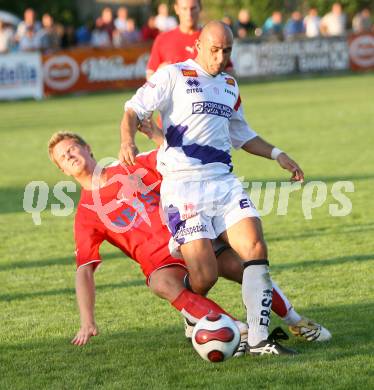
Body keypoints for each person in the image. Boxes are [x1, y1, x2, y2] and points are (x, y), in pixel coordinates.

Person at [119, 21, 330, 355]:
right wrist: (127, 139)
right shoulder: (173, 74)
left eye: (227, 50)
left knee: (255, 248)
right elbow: (133, 107)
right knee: (205, 276)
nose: (220, 57)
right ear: (199, 46)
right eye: (215, 49)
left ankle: (260, 339)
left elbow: (242, 134)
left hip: (223, 184)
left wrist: (278, 154)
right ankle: (193, 310)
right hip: (184, 188)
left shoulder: (230, 85)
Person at [49, 132, 331, 348]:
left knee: (245, 267)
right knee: (161, 283)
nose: (69, 155)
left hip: (193, 235)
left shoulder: (133, 165)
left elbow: (178, 153)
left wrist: (156, 133)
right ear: (63, 171)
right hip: (161, 264)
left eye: (72, 148)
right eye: (63, 157)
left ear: (88, 149)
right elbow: (84, 270)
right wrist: (87, 321)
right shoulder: (86, 214)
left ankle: (296, 321)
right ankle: (237, 330)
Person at [146, 0, 202, 80]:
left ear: (200, 8)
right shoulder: (162, 39)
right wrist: (160, 73)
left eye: (193, 8)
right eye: (184, 9)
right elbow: (150, 74)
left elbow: (226, 71)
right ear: (176, 9)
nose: (189, 14)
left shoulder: (211, 39)